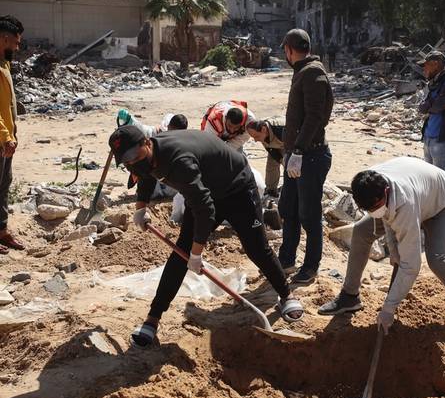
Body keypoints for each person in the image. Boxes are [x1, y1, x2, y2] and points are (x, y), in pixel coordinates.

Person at [109, 125, 303, 348]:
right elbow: (146, 175)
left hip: (238, 189)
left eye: (135, 156)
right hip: (205, 191)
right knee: (180, 255)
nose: (133, 162)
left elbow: (205, 211)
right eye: (127, 161)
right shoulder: (147, 157)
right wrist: (141, 207)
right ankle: (153, 319)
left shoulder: (179, 161)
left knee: (256, 248)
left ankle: (286, 295)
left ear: (146, 142)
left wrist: (196, 254)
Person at [317, 157, 445, 352]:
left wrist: (388, 308)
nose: (374, 212)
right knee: (361, 230)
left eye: (376, 207)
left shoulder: (404, 204)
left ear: (386, 192)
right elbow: (387, 218)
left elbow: (411, 266)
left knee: (437, 259)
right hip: (420, 194)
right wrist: (394, 250)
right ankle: (349, 296)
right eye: (368, 209)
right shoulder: (369, 184)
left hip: (444, 202)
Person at [278, 28, 333, 285]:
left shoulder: (312, 73)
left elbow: (315, 117)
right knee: (288, 209)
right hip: (297, 155)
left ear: (289, 50)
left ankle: (310, 266)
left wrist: (298, 150)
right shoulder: (302, 71)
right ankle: (286, 259)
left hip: (309, 156)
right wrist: (289, 152)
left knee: (309, 215)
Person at [0, 15, 25, 254]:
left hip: (7, 139)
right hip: (2, 137)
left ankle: (1, 231)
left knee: (4, 184)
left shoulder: (4, 63)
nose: (17, 48)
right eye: (15, 43)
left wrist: (11, 135)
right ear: (4, 38)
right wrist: (5, 135)